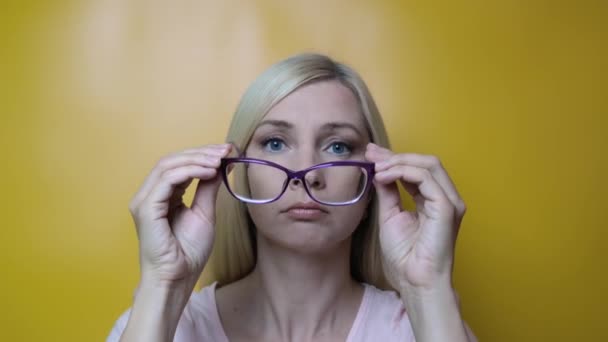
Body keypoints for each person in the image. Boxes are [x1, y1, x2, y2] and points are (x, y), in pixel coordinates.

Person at [107, 53, 477, 342]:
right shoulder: (156, 325)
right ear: (240, 170)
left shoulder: (425, 328)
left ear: (375, 177)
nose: (307, 174)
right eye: (275, 142)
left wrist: (428, 289)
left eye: (337, 146)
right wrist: (164, 285)